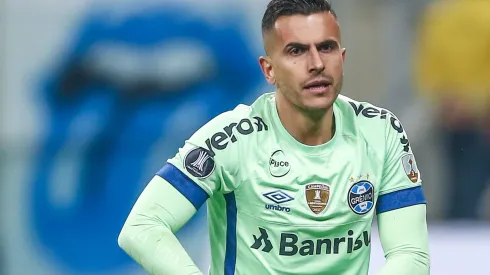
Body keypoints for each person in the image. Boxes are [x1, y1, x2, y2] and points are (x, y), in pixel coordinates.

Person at [118, 0, 430, 274]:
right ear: (269, 70)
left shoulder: (381, 130)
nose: (317, 64)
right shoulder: (232, 138)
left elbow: (411, 255)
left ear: (342, 58)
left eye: (326, 47)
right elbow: (142, 228)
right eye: (297, 51)